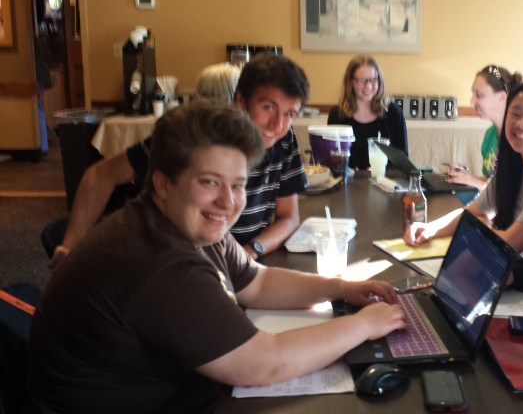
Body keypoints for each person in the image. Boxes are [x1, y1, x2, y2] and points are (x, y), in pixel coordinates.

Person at [27, 101, 406, 413]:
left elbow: (257, 282)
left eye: (238, 185)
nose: (228, 203)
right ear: (162, 183)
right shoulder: (160, 262)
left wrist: (341, 288)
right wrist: (365, 326)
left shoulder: (184, 222)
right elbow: (264, 362)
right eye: (209, 182)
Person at [48, 55, 307, 268]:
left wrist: (249, 253)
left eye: (289, 114)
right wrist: (69, 246)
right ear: (240, 100)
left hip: (233, 262)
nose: (278, 125)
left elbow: (288, 218)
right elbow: (100, 175)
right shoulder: (197, 133)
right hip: (177, 262)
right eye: (268, 108)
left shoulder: (285, 138)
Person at [404, 80, 523, 271]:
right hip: (517, 273)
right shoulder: (515, 163)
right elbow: (476, 211)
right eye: (515, 114)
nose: (521, 123)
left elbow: (508, 245)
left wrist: (478, 229)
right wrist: (430, 229)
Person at [445, 64, 522, 189]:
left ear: (501, 97)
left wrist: (473, 181)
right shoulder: (491, 134)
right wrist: (464, 177)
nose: (472, 101)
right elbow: (490, 181)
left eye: (479, 95)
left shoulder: (520, 139)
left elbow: (515, 192)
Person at [327, 56, 408, 170]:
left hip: (384, 184)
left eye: (373, 79)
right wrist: (349, 171)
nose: (368, 86)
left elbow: (402, 161)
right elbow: (331, 159)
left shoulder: (393, 114)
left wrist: (381, 171)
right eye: (362, 80)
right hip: (348, 183)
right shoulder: (337, 115)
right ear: (350, 82)